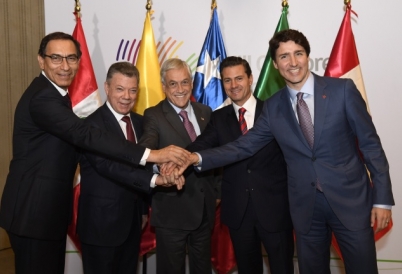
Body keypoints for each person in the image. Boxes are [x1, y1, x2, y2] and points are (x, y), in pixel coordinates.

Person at [183, 29, 394, 274]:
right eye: (284, 57)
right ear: (275, 64)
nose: (292, 62)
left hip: (351, 203)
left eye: (298, 54)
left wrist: (382, 199)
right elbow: (244, 145)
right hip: (306, 210)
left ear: (308, 56)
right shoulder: (273, 107)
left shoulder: (343, 90)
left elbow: (371, 145)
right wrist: (195, 157)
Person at [0, 32, 188, 274]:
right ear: (41, 60)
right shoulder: (43, 97)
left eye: (71, 58)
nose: (65, 66)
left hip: (47, 212)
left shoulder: (57, 95)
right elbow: (87, 137)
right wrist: (154, 155)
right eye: (56, 58)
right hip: (33, 212)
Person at [187, 56, 294, 273]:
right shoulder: (218, 118)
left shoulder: (275, 111)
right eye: (227, 80)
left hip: (275, 210)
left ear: (251, 78)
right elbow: (199, 147)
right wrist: (171, 159)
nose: (233, 85)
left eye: (239, 78)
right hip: (239, 212)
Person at [77, 62, 177, 274]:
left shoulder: (141, 123)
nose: (127, 96)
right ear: (107, 88)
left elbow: (145, 163)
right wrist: (155, 181)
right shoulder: (92, 126)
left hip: (132, 222)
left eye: (132, 90)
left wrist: (163, 171)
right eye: (120, 89)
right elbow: (110, 167)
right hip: (100, 226)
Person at [139, 58, 220, 274]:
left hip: (205, 210)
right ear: (163, 86)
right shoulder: (153, 115)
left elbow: (216, 153)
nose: (180, 89)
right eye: (173, 84)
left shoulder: (206, 111)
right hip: (172, 211)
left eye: (185, 82)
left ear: (192, 83)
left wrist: (217, 191)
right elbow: (146, 151)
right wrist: (162, 169)